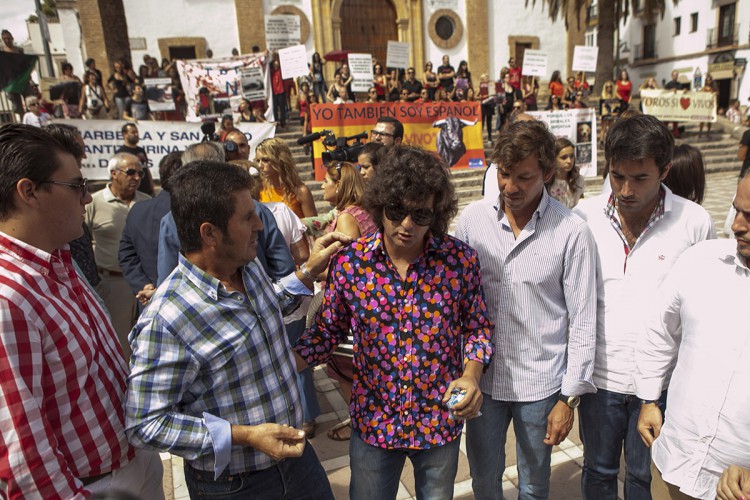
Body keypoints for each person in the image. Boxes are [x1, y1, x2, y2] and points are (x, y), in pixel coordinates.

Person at [125, 161, 341, 500]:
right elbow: (145, 425)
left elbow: (263, 309)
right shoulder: (168, 318)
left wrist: (306, 273)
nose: (259, 224)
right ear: (209, 233)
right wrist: (243, 435)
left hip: (298, 463)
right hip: (234, 486)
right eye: (246, 218)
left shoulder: (247, 266)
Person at [295, 145, 493, 499]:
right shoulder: (352, 263)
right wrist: (281, 364)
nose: (406, 224)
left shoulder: (459, 261)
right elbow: (327, 331)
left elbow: (476, 327)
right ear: (381, 203)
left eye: (420, 215)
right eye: (397, 210)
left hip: (438, 421)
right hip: (374, 422)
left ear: (436, 214)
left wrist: (471, 374)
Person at [0, 123, 164, 499]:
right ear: (28, 192)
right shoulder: (8, 297)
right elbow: (22, 451)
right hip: (95, 487)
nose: (87, 199)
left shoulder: (59, 260)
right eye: (76, 187)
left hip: (132, 462)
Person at [573, 114, 715, 500]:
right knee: (598, 470)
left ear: (665, 170)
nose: (625, 189)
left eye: (640, 179)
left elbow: (704, 305)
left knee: (642, 476)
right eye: (618, 176)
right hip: (599, 380)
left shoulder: (694, 223)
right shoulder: (583, 217)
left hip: (661, 385)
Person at [458, 120, 597, 500]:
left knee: (534, 486)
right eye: (503, 174)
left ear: (548, 174)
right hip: (482, 382)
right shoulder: (472, 222)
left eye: (523, 177)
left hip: (541, 385)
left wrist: (568, 398)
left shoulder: (572, 233)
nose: (509, 187)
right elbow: (454, 301)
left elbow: (584, 321)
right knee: (484, 481)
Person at [634, 170, 750, 500]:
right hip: (671, 466)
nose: (736, 226)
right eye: (736, 210)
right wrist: (648, 399)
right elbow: (659, 332)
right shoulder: (701, 260)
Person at [86, 152, 151, 354]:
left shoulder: (146, 202)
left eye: (140, 173)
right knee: (116, 344)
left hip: (143, 285)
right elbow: (80, 242)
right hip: (111, 285)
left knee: (145, 340)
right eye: (131, 172)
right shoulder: (93, 202)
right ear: (114, 173)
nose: (137, 178)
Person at [119, 151, 183, 308]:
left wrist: (143, 285)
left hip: (149, 301)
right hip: (181, 304)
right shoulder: (189, 212)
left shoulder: (138, 209)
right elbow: (127, 254)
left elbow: (126, 255)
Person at [256, 137, 317, 218]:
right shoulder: (258, 188)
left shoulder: (301, 191)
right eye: (258, 160)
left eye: (266, 160)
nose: (260, 165)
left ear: (280, 160)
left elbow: (314, 225)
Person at [115, 122, 155, 197]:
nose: (136, 134)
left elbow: (146, 169)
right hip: (133, 194)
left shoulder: (141, 150)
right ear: (125, 134)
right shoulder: (121, 153)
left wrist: (152, 187)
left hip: (147, 192)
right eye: (133, 132)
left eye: (137, 132)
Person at [548, 137, 584, 208]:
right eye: (564, 157)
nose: (569, 161)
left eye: (571, 156)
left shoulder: (578, 179)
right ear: (554, 159)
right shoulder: (546, 180)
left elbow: (581, 202)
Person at [270, 59, 287, 126]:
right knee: (275, 108)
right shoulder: (271, 72)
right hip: (274, 93)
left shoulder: (281, 71)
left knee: (282, 108)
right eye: (275, 65)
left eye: (277, 64)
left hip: (281, 92)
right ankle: (276, 121)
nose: (276, 66)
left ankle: (283, 121)